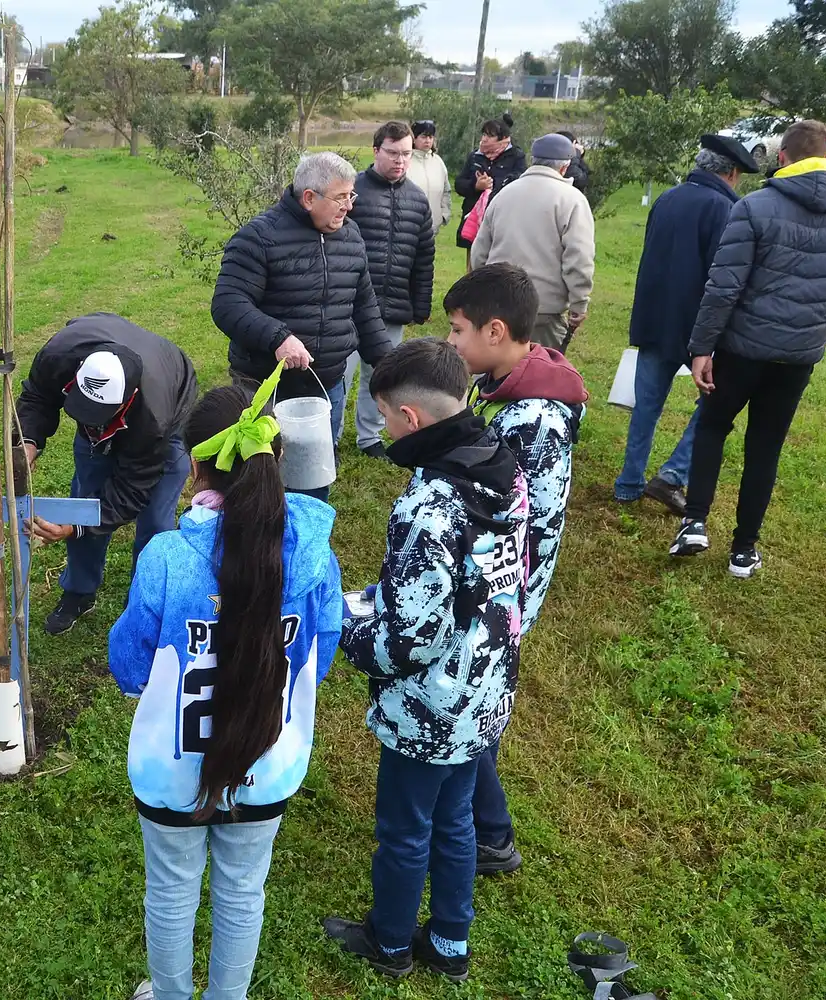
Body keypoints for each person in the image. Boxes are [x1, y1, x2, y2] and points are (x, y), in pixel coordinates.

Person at [108, 365, 343, 1000]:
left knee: (171, 889)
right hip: (268, 762)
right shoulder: (314, 558)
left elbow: (129, 663)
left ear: (194, 467)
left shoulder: (166, 557)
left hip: (171, 768)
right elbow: (318, 655)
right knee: (243, 891)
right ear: (276, 461)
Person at [322, 338, 526, 983]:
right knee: (456, 818)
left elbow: (410, 640)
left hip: (430, 706)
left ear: (409, 418)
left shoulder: (429, 506)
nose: (383, 426)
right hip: (484, 687)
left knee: (406, 829)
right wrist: (381, 596)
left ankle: (388, 943)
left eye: (384, 415)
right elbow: (476, 584)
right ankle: (449, 942)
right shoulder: (502, 464)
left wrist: (342, 627)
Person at [445, 263, 587, 877]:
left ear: (495, 331)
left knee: (469, 704)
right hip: (496, 579)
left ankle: (491, 835)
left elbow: (523, 519)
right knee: (475, 698)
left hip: (503, 584)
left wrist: (480, 588)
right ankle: (478, 823)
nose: (451, 342)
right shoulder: (505, 385)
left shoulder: (536, 419)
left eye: (457, 330)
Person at [672, 119, 826, 577]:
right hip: (797, 356)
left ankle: (694, 521)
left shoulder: (754, 206)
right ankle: (743, 550)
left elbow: (724, 286)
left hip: (742, 348)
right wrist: (819, 334)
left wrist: (702, 348)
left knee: (712, 426)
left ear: (782, 157)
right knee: (766, 446)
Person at [211, 151, 391, 499]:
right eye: (341, 197)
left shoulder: (351, 237)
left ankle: (307, 528)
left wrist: (389, 367)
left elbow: (364, 307)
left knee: (312, 478)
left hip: (326, 384)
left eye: (351, 196)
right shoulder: (259, 238)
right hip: (264, 387)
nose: (349, 206)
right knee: (260, 482)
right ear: (309, 198)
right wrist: (278, 338)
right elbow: (228, 304)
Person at [16, 313, 198, 635]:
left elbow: (132, 490)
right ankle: (79, 592)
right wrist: (28, 441)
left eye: (99, 416)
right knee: (85, 499)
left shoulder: (154, 418)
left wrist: (74, 528)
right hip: (122, 360)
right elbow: (37, 396)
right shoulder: (58, 356)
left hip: (170, 409)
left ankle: (145, 604)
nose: (92, 423)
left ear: (127, 400)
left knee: (155, 520)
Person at [616, 134, 758, 515]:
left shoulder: (667, 198)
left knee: (645, 408)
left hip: (654, 319)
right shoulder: (727, 208)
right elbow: (723, 274)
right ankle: (674, 473)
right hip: (698, 328)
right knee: (715, 404)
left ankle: (628, 483)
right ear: (731, 173)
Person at [344, 121, 436, 462]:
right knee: (340, 373)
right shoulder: (352, 191)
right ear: (376, 150)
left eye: (406, 154)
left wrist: (420, 304)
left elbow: (424, 258)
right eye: (393, 153)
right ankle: (330, 434)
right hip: (347, 305)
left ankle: (369, 436)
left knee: (382, 375)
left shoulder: (418, 200)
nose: (400, 160)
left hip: (393, 306)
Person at [470, 133, 596, 352]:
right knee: (539, 370)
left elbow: (479, 252)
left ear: (533, 160)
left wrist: (482, 293)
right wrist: (579, 303)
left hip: (498, 304)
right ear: (564, 167)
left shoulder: (503, 195)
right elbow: (579, 257)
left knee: (498, 368)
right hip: (543, 311)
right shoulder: (573, 200)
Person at [455, 113, 527, 261]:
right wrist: (476, 186)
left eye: (490, 135)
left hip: (503, 218)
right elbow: (459, 184)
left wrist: (495, 184)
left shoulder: (516, 156)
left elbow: (520, 183)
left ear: (503, 138)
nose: (485, 139)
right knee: (473, 267)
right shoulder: (475, 156)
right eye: (484, 134)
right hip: (474, 220)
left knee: (499, 265)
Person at [408, 119, 452, 236]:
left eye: (430, 137)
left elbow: (446, 190)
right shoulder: (405, 161)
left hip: (433, 225)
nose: (427, 141)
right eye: (423, 137)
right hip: (409, 224)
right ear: (414, 138)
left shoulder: (438, 162)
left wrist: (444, 214)